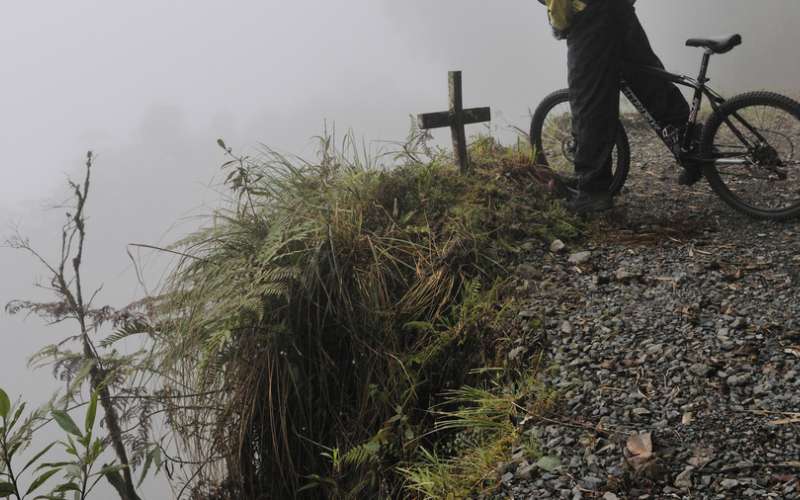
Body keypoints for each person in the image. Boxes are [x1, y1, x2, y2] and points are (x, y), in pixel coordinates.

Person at [541, 0, 701, 214]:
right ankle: (694, 150)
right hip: (620, 8)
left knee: (590, 100)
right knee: (650, 80)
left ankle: (593, 191)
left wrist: (560, 26)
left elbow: (559, 6)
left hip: (590, 18)